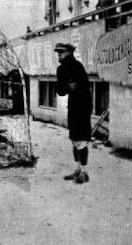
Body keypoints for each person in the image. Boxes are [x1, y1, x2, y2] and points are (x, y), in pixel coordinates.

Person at [54, 43, 92, 184]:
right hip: (73, 107)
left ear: (69, 52)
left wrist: (75, 88)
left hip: (83, 107)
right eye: (58, 52)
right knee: (74, 139)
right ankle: (78, 169)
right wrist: (67, 87)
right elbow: (60, 90)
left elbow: (85, 87)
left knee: (81, 140)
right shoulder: (61, 69)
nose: (59, 54)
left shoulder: (77, 67)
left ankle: (85, 172)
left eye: (62, 52)